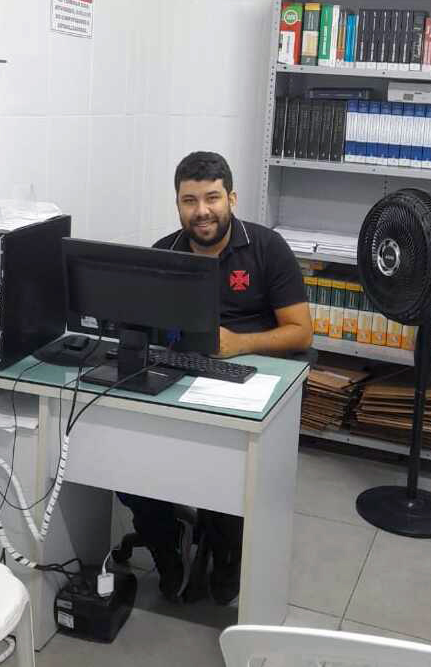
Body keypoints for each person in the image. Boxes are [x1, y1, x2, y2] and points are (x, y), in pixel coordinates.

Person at [117, 151, 313, 605]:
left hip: (250, 381)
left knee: (230, 477)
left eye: (212, 198)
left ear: (232, 199)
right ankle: (168, 545)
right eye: (190, 200)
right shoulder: (164, 253)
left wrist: (240, 343)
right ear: (177, 204)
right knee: (124, 461)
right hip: (179, 378)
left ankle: (224, 546)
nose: (201, 211)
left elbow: (301, 332)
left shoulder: (266, 248)